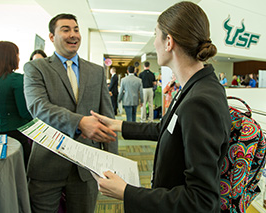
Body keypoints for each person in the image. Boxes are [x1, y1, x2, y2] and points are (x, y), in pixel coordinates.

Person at [90, 2, 232, 212]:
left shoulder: (199, 101)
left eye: (155, 34)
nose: (154, 42)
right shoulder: (193, 87)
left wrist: (126, 192)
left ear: (168, 42)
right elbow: (164, 129)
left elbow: (201, 200)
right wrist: (117, 125)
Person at [23, 13, 118, 213]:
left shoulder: (96, 71)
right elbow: (38, 107)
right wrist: (79, 122)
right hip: (47, 164)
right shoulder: (35, 68)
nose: (73, 34)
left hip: (86, 168)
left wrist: (112, 163)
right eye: (65, 29)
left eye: (76, 29)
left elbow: (108, 119)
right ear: (51, 37)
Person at [0, 41, 32, 169]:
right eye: (17, 54)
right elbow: (24, 112)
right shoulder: (16, 79)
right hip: (14, 137)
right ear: (11, 57)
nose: (18, 57)